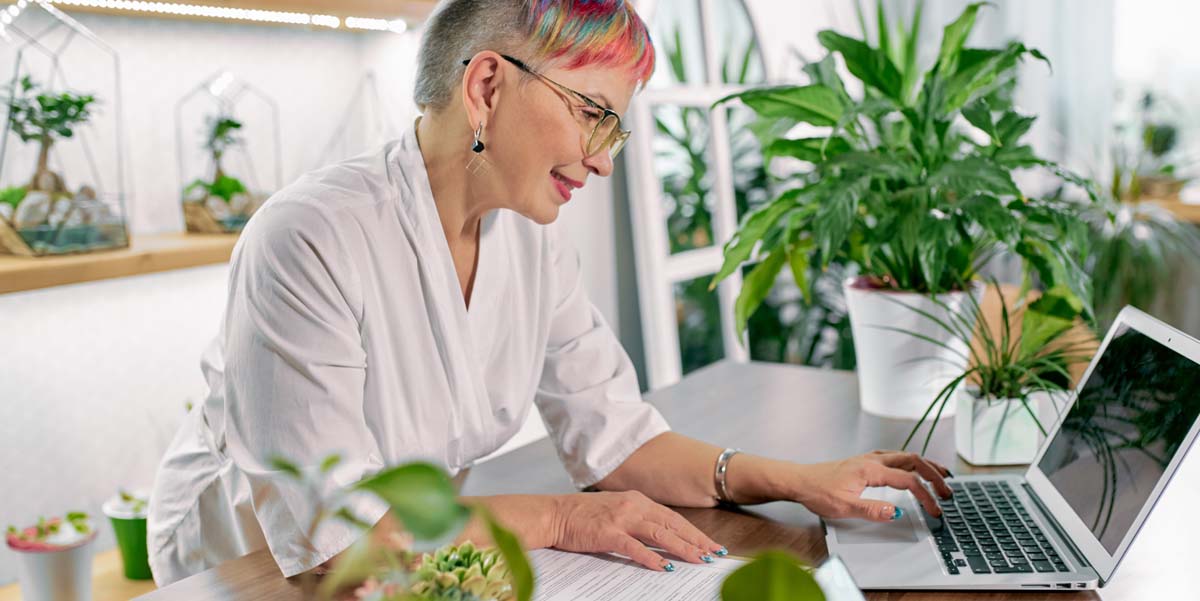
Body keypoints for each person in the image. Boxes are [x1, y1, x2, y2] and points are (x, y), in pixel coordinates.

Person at [146, 0, 953, 586]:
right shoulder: (309, 236)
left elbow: (620, 446)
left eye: (615, 130)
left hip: (418, 559)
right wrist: (566, 517)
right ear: (488, 88)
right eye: (594, 115)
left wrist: (799, 480)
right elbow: (339, 538)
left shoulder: (529, 240)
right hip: (245, 569)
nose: (603, 162)